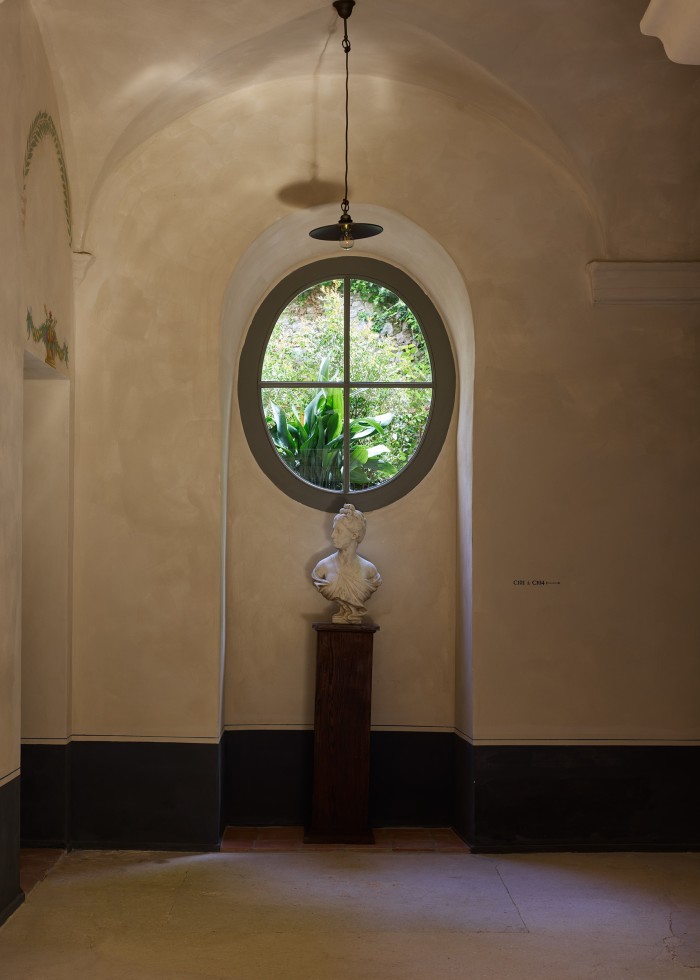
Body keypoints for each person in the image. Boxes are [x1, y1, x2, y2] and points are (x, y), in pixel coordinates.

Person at [312, 503, 382, 624]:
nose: (332, 535)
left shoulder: (370, 571)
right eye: (334, 530)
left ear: (354, 535)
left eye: (338, 531)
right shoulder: (322, 568)